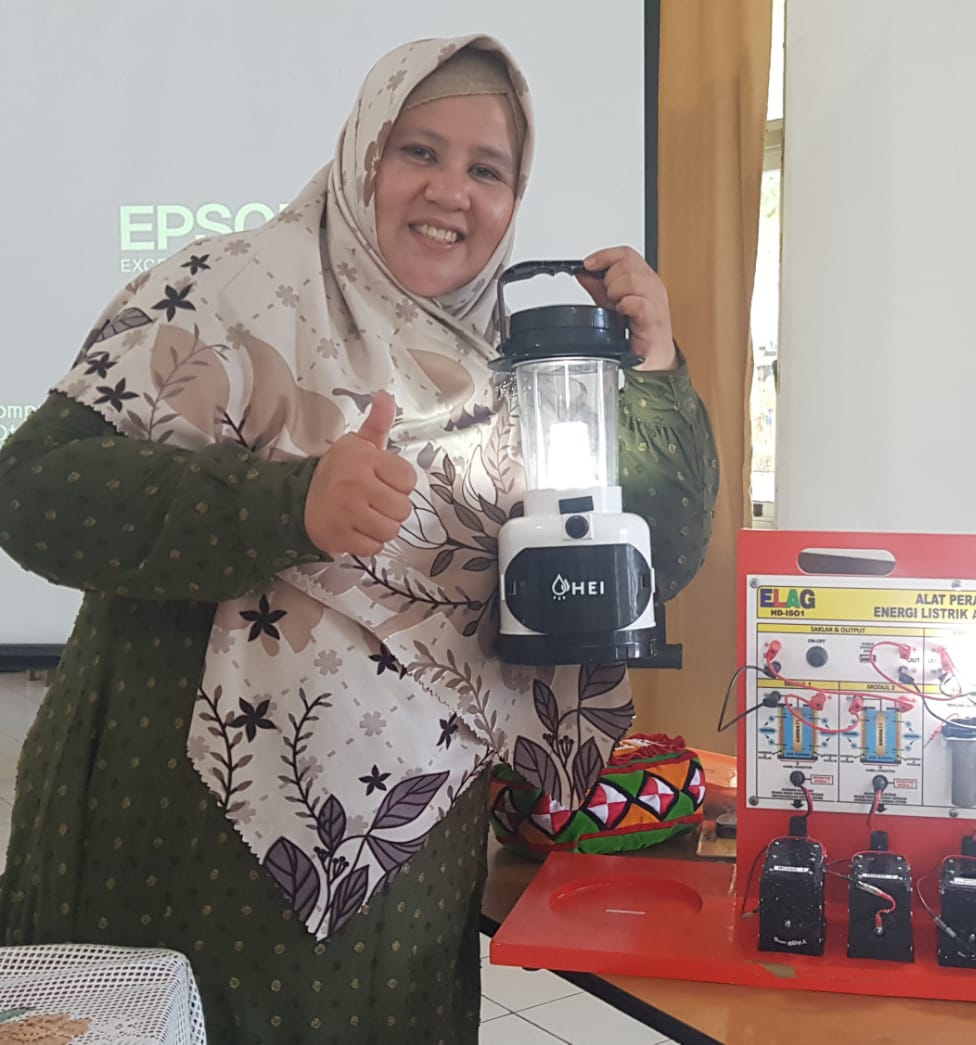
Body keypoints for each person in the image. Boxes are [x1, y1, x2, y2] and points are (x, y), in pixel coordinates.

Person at [0, 35, 717, 1044]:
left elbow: (657, 554)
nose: (450, 191)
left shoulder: (516, 373)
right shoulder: (224, 291)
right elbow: (35, 491)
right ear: (364, 153)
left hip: (399, 895)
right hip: (163, 855)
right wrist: (285, 505)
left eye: (488, 169)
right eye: (419, 151)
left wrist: (654, 365)